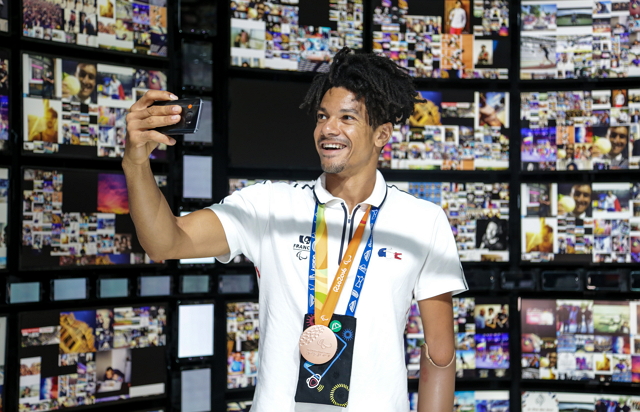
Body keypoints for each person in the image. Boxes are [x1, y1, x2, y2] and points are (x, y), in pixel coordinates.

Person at [123, 47, 466, 411]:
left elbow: (440, 356)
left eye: (347, 118)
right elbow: (164, 242)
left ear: (382, 134)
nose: (328, 129)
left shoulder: (422, 220)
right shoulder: (269, 205)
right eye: (322, 116)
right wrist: (135, 162)